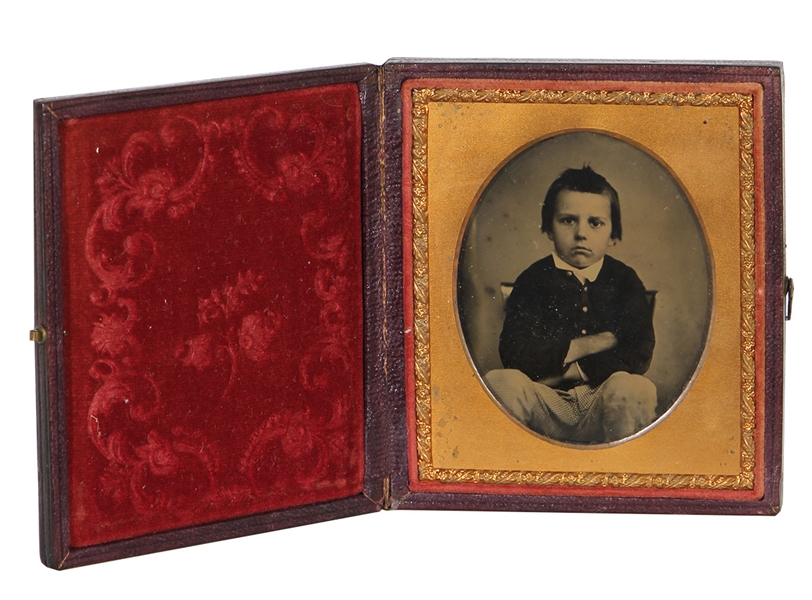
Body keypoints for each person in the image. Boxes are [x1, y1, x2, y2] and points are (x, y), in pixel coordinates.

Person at [485, 166, 656, 444]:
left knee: (634, 387)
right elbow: (515, 352)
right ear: (548, 228)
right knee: (500, 382)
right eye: (567, 220)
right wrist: (598, 342)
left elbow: (639, 351)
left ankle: (621, 474)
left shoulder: (624, 279)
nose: (580, 234)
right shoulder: (532, 280)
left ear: (613, 235)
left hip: (600, 399)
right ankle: (514, 473)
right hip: (544, 400)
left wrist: (566, 370)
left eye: (595, 223)